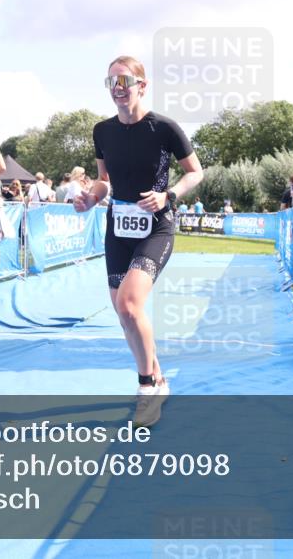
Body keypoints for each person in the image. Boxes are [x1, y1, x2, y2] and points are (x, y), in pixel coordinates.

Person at [74, 55, 203, 427]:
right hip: (119, 225)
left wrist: (169, 196)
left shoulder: (164, 128)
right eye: (111, 81)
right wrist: (90, 198)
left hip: (156, 224)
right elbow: (104, 179)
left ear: (141, 86)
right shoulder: (103, 131)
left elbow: (195, 172)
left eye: (124, 80)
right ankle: (158, 377)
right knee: (121, 308)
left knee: (130, 305)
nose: (117, 87)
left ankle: (147, 389)